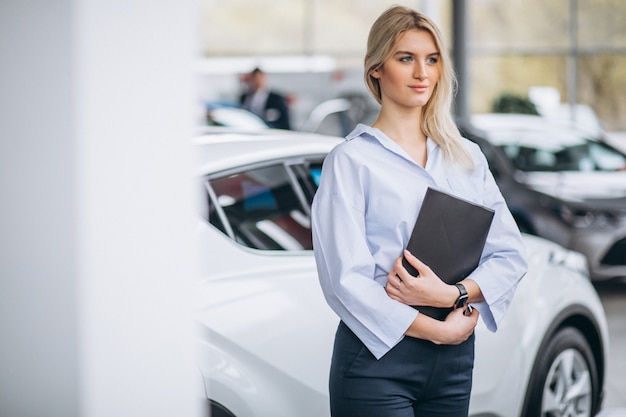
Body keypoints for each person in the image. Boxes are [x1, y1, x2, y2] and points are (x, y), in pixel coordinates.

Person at [311, 6, 528, 417]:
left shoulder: (466, 157)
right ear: (376, 68)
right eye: (405, 58)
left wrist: (452, 295)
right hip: (378, 360)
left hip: (455, 362)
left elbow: (510, 255)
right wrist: (438, 332)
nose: (421, 73)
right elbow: (346, 282)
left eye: (431, 60)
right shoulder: (351, 161)